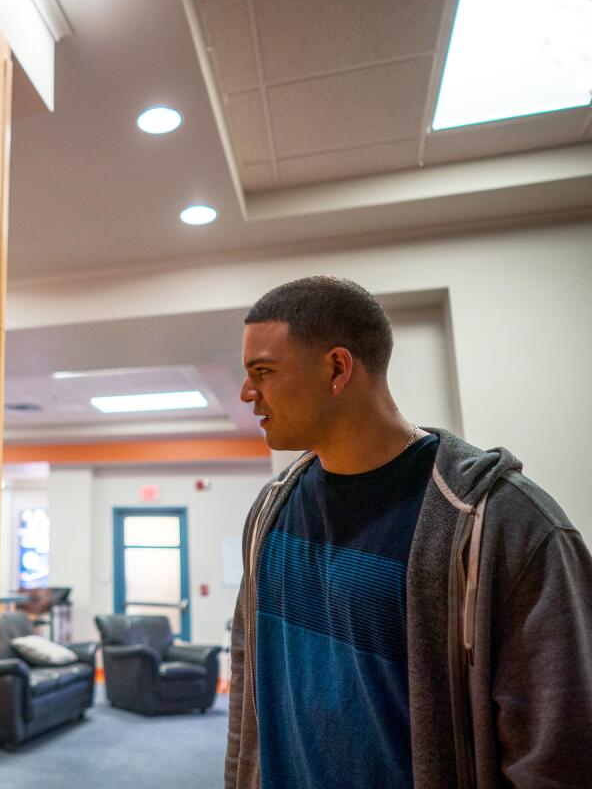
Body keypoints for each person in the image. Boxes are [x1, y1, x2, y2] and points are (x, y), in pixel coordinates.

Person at [225, 276, 592, 789]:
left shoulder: (508, 522)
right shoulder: (270, 510)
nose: (247, 393)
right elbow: (247, 668)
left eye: (262, 371)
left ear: (337, 368)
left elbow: (556, 753)